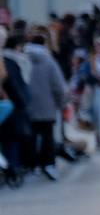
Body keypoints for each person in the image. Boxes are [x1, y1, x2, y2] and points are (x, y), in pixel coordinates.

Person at [21, 28, 68, 180]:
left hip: (27, 106)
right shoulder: (49, 61)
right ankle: (47, 164)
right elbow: (58, 86)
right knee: (47, 137)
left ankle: (31, 164)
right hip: (47, 107)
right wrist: (62, 103)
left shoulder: (22, 59)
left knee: (31, 136)